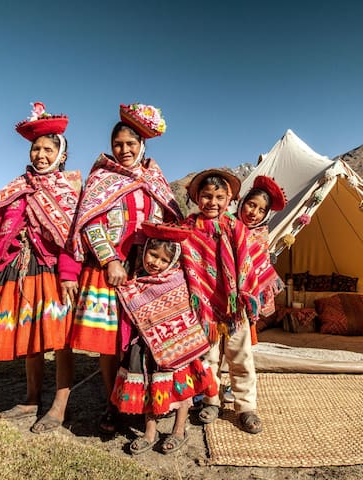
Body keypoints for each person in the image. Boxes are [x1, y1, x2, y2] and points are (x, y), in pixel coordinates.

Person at [0, 101, 81, 434]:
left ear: (61, 155)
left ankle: (60, 406)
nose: (40, 155)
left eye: (47, 149)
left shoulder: (68, 190)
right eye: (36, 149)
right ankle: (30, 399)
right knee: (28, 336)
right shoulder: (16, 188)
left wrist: (69, 274)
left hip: (52, 270)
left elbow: (73, 236)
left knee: (59, 339)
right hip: (15, 268)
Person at [69, 103, 182, 436]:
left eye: (131, 144)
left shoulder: (155, 177)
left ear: (142, 144)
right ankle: (112, 401)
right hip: (112, 269)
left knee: (142, 341)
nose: (124, 150)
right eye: (118, 144)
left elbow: (169, 220)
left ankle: (146, 399)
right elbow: (89, 222)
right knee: (110, 340)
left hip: (147, 269)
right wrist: (111, 260)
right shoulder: (102, 176)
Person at [112, 222, 217, 455]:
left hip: (179, 347)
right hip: (145, 348)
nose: (155, 263)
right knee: (150, 387)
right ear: (145, 250)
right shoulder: (136, 281)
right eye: (152, 254)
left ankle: (179, 429)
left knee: (182, 386)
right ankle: (149, 431)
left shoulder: (178, 280)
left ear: (172, 262)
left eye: (162, 260)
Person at [181, 169, 263, 434]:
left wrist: (243, 294)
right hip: (204, 308)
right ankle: (211, 400)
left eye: (218, 197)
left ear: (228, 198)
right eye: (206, 196)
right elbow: (185, 261)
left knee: (241, 357)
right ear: (197, 197)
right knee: (209, 358)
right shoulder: (189, 228)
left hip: (235, 308)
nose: (212, 203)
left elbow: (247, 265)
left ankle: (246, 406)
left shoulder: (235, 227)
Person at [236, 175, 287, 341]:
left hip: (246, 300)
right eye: (251, 205)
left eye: (261, 210)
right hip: (222, 294)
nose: (254, 213)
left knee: (240, 346)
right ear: (243, 202)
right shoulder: (226, 225)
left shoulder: (260, 235)